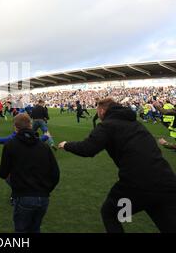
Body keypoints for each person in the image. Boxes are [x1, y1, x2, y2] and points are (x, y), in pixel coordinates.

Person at [58, 98, 176, 233]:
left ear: (102, 110)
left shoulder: (107, 125)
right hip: (166, 179)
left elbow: (88, 149)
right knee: (166, 222)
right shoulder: (136, 124)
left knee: (110, 213)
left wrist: (66, 145)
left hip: (137, 183)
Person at [0, 113, 60, 233]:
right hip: (43, 198)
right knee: (35, 229)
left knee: (21, 231)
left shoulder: (10, 145)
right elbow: (55, 174)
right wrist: (46, 190)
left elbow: (2, 173)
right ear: (31, 125)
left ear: (15, 127)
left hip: (23, 196)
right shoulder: (44, 146)